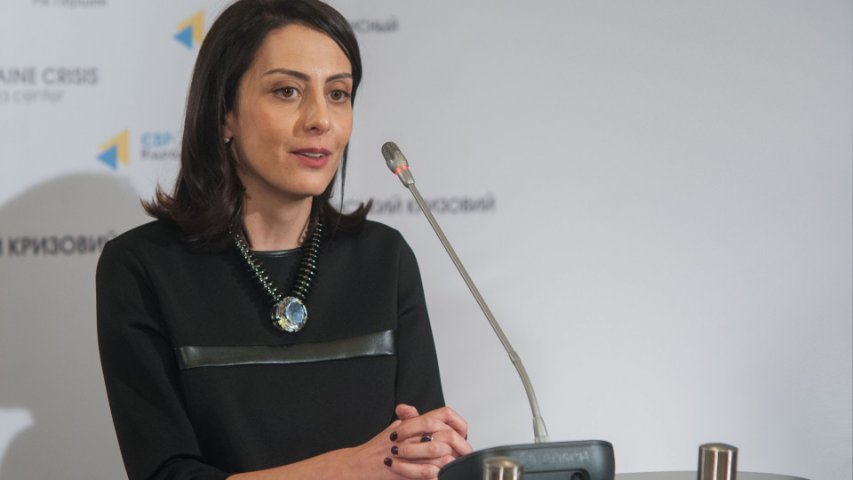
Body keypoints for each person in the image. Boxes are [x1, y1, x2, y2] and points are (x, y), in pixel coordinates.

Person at [96, 1, 472, 479]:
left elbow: (416, 455)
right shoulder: (143, 267)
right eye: (287, 91)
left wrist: (437, 452)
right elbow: (165, 474)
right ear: (224, 114)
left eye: (338, 94)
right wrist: (348, 469)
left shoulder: (384, 258)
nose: (320, 119)